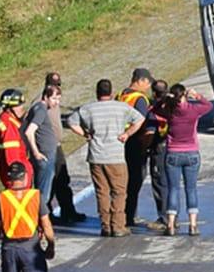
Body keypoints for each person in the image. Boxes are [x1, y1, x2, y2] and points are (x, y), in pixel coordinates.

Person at [74, 77, 138, 237]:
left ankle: (105, 225)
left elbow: (71, 121)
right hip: (115, 156)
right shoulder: (121, 107)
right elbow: (140, 119)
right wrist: (127, 134)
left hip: (96, 156)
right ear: (111, 92)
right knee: (119, 192)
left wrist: (85, 134)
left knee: (102, 192)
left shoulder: (88, 109)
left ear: (97, 92)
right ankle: (118, 225)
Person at [24, 74, 81, 225]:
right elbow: (29, 129)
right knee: (46, 184)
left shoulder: (52, 102)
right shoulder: (39, 105)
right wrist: (35, 151)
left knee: (61, 179)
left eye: (58, 84)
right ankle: (44, 216)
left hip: (55, 146)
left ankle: (68, 211)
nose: (56, 101)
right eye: (53, 85)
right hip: (46, 150)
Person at [161, 82, 214, 236]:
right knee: (191, 189)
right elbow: (208, 106)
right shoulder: (193, 110)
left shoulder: (169, 110)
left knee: (173, 189)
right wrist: (196, 95)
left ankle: (170, 224)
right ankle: (192, 224)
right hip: (191, 152)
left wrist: (164, 99)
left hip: (172, 153)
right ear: (184, 95)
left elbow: (155, 110)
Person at [120, 67, 162, 230]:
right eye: (148, 82)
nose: (148, 86)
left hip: (122, 142)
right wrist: (146, 146)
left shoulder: (121, 95)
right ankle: (129, 216)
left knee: (125, 181)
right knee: (135, 181)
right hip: (136, 144)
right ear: (141, 80)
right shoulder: (140, 99)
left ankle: (125, 214)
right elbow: (143, 124)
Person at [0, 87, 31, 187]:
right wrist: (19, 177)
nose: (22, 108)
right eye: (19, 106)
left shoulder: (11, 121)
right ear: (9, 108)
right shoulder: (9, 124)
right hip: (17, 175)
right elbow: (12, 155)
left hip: (19, 170)